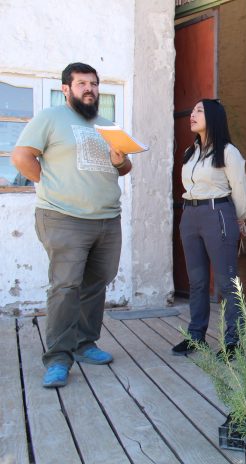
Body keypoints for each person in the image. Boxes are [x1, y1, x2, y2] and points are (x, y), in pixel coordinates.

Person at [11, 62, 132, 388]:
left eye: (93, 83)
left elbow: (125, 167)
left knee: (96, 284)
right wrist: (50, 185)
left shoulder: (107, 125)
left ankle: (84, 343)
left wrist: (120, 160)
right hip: (64, 217)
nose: (89, 89)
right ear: (66, 89)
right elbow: (21, 157)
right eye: (82, 84)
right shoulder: (50, 117)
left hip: (107, 219)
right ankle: (58, 358)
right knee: (65, 287)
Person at [171, 99, 246, 358]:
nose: (192, 114)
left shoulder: (228, 152)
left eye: (199, 110)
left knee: (227, 282)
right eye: (192, 110)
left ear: (213, 117)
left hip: (218, 214)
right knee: (197, 281)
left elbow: (240, 189)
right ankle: (196, 336)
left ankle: (233, 341)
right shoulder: (190, 151)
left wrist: (240, 219)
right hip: (190, 215)